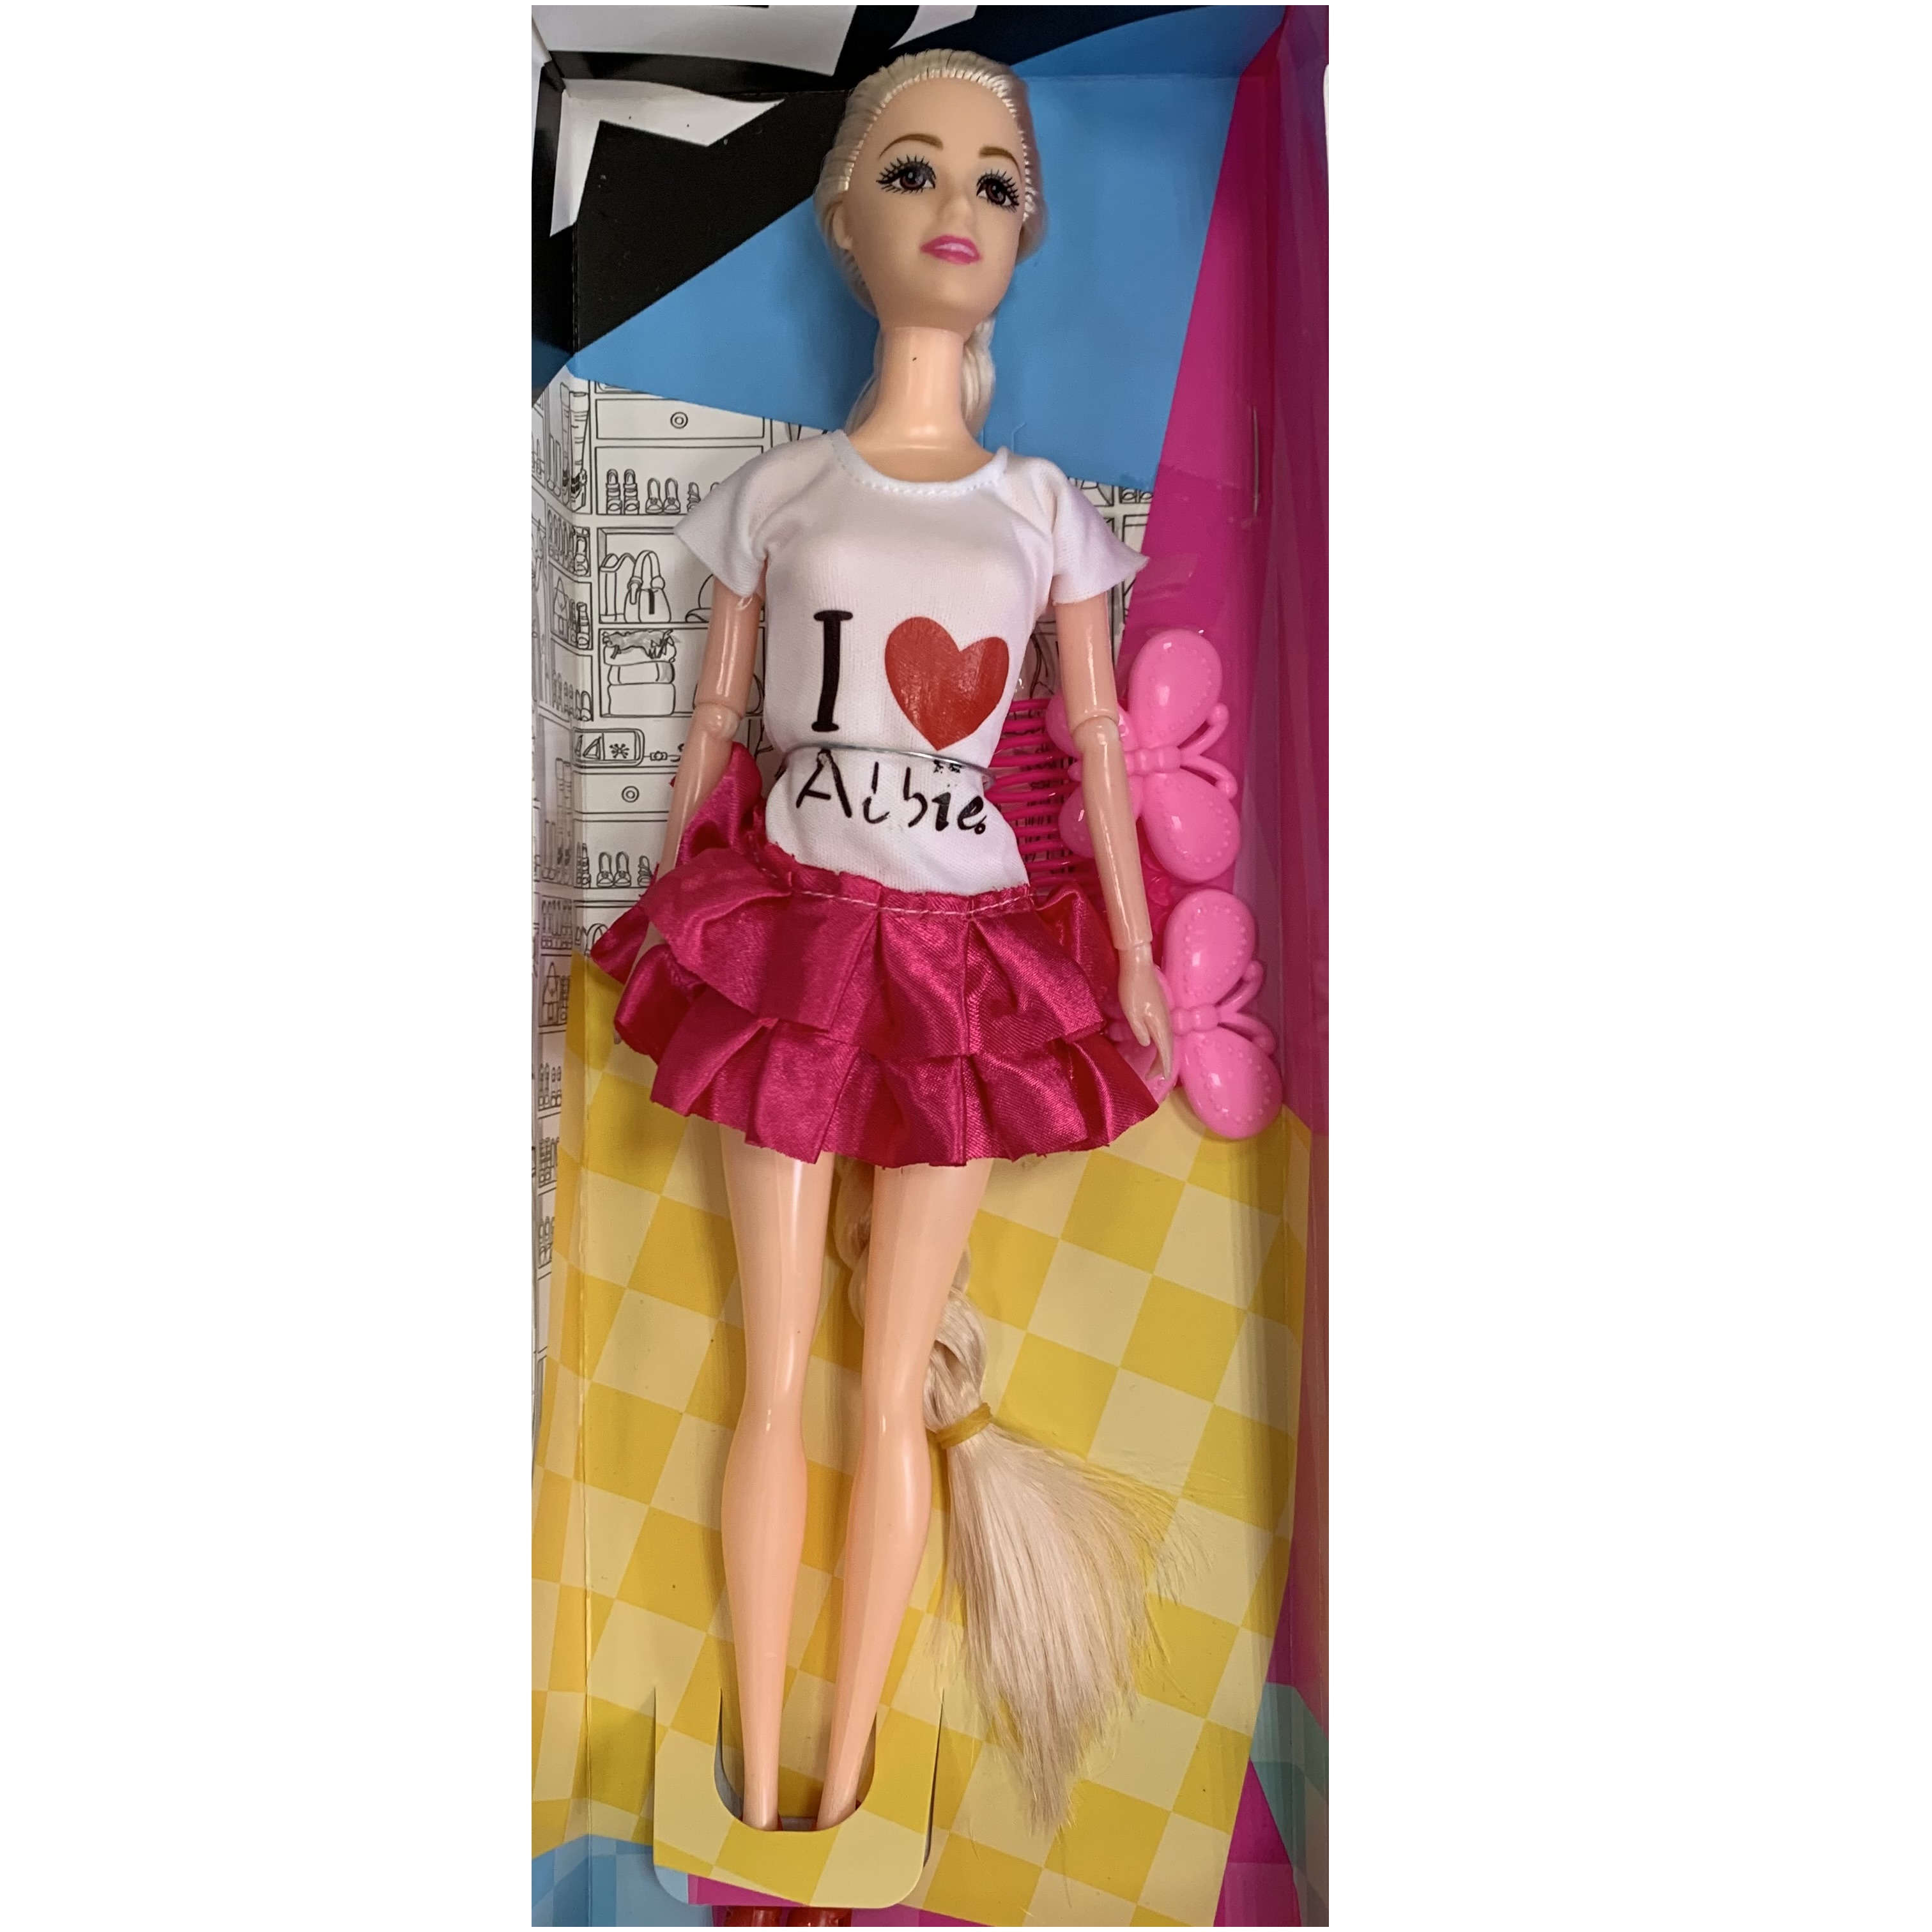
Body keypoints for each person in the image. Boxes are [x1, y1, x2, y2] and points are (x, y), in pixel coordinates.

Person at [590, 50, 1173, 1920]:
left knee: (885, 1369)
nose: (958, 207)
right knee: (774, 1367)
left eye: (997, 180)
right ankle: (760, 1742)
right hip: (783, 932)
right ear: (844, 213)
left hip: (964, 961)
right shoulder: (781, 491)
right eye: (915, 170)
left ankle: (846, 1766)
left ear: (1028, 230)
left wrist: (1136, 955)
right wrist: (666, 907)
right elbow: (713, 725)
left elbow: (1094, 744)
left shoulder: (1043, 508)